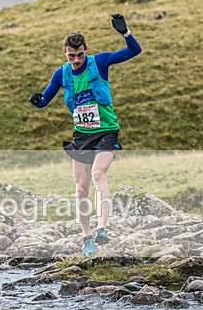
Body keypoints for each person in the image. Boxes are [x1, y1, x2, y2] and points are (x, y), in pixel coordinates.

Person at [28, 13, 142, 256]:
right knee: (80, 188)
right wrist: (36, 100)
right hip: (82, 135)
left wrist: (125, 33)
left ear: (86, 50)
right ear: (65, 53)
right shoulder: (61, 74)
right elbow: (45, 100)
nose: (76, 60)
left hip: (106, 131)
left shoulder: (99, 62)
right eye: (71, 56)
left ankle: (102, 228)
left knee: (98, 173)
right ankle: (86, 236)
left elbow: (134, 51)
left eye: (80, 55)